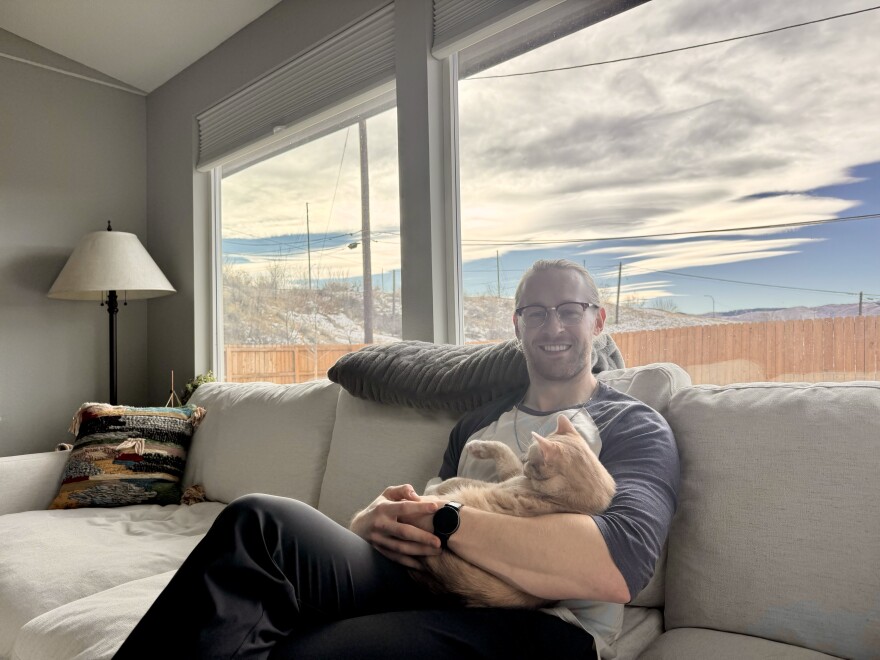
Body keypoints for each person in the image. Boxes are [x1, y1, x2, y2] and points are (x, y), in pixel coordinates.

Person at [114, 259, 679, 660]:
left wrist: (447, 522)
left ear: (598, 321)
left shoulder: (634, 424)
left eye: (569, 310)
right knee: (258, 522)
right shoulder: (477, 424)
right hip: (426, 577)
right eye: (535, 313)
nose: (552, 327)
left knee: (300, 651)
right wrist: (369, 521)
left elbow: (616, 568)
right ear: (517, 326)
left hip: (546, 623)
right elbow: (426, 504)